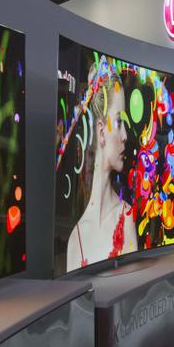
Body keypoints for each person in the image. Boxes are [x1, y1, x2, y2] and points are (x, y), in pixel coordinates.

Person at [66, 58, 136, 271]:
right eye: (118, 122)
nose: (125, 135)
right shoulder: (75, 240)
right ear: (101, 131)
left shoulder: (126, 217)